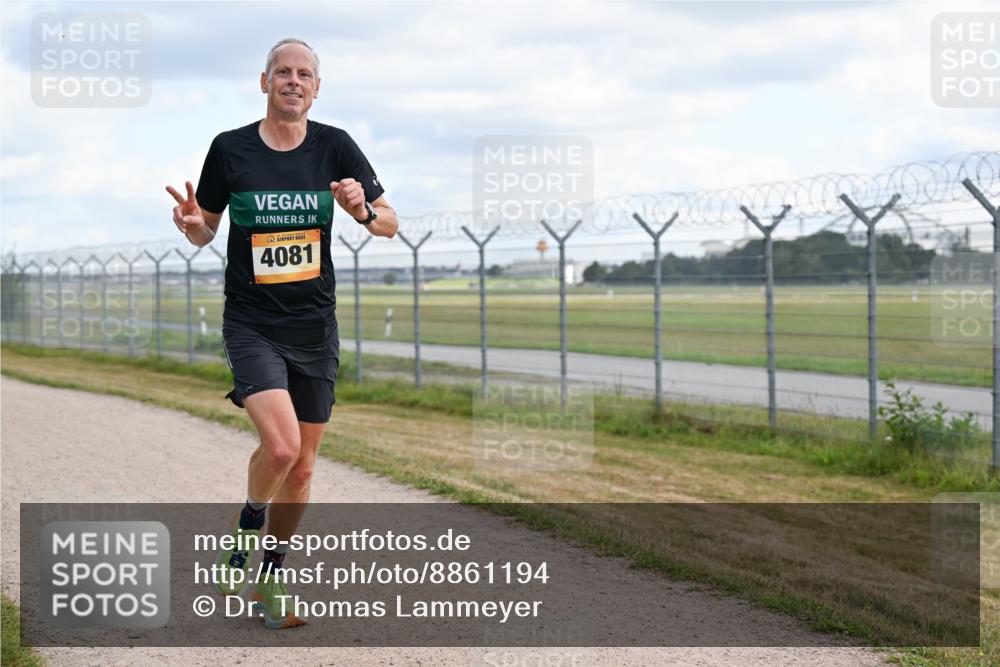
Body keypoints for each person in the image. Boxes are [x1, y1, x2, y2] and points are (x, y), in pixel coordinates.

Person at [165, 37, 397, 629]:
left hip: (315, 328)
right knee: (282, 447)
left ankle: (269, 575)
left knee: (303, 468)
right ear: (264, 81)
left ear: (317, 88)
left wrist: (362, 210)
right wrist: (194, 225)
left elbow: (390, 224)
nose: (294, 81)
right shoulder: (230, 149)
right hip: (251, 323)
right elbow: (206, 230)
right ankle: (246, 530)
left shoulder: (335, 147)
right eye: (283, 72)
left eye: (305, 74)